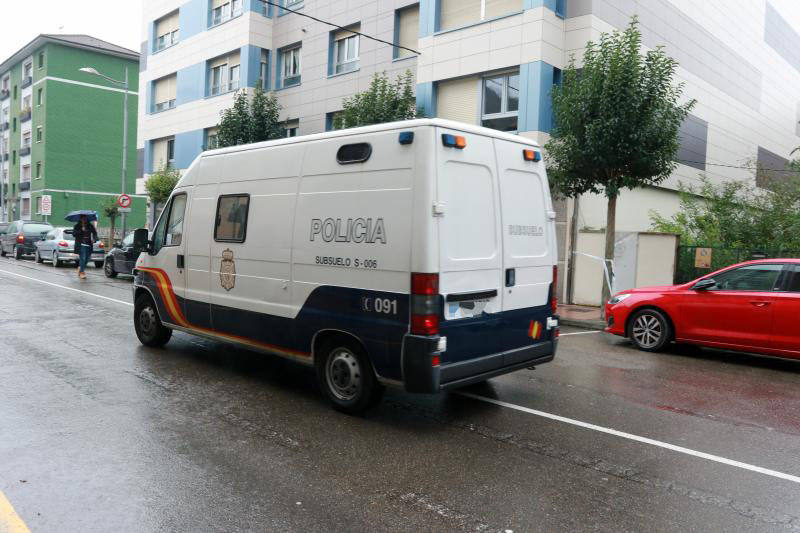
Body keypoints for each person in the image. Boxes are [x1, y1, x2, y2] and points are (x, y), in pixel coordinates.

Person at [73, 215, 97, 279]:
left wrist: (94, 239)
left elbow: (95, 233)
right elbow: (74, 234)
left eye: (85, 218)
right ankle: (82, 272)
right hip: (81, 244)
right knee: (83, 258)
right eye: (82, 218)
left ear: (87, 219)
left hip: (88, 244)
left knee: (87, 259)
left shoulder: (90, 225)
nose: (84, 219)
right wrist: (81, 230)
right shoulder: (77, 226)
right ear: (80, 219)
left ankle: (80, 268)